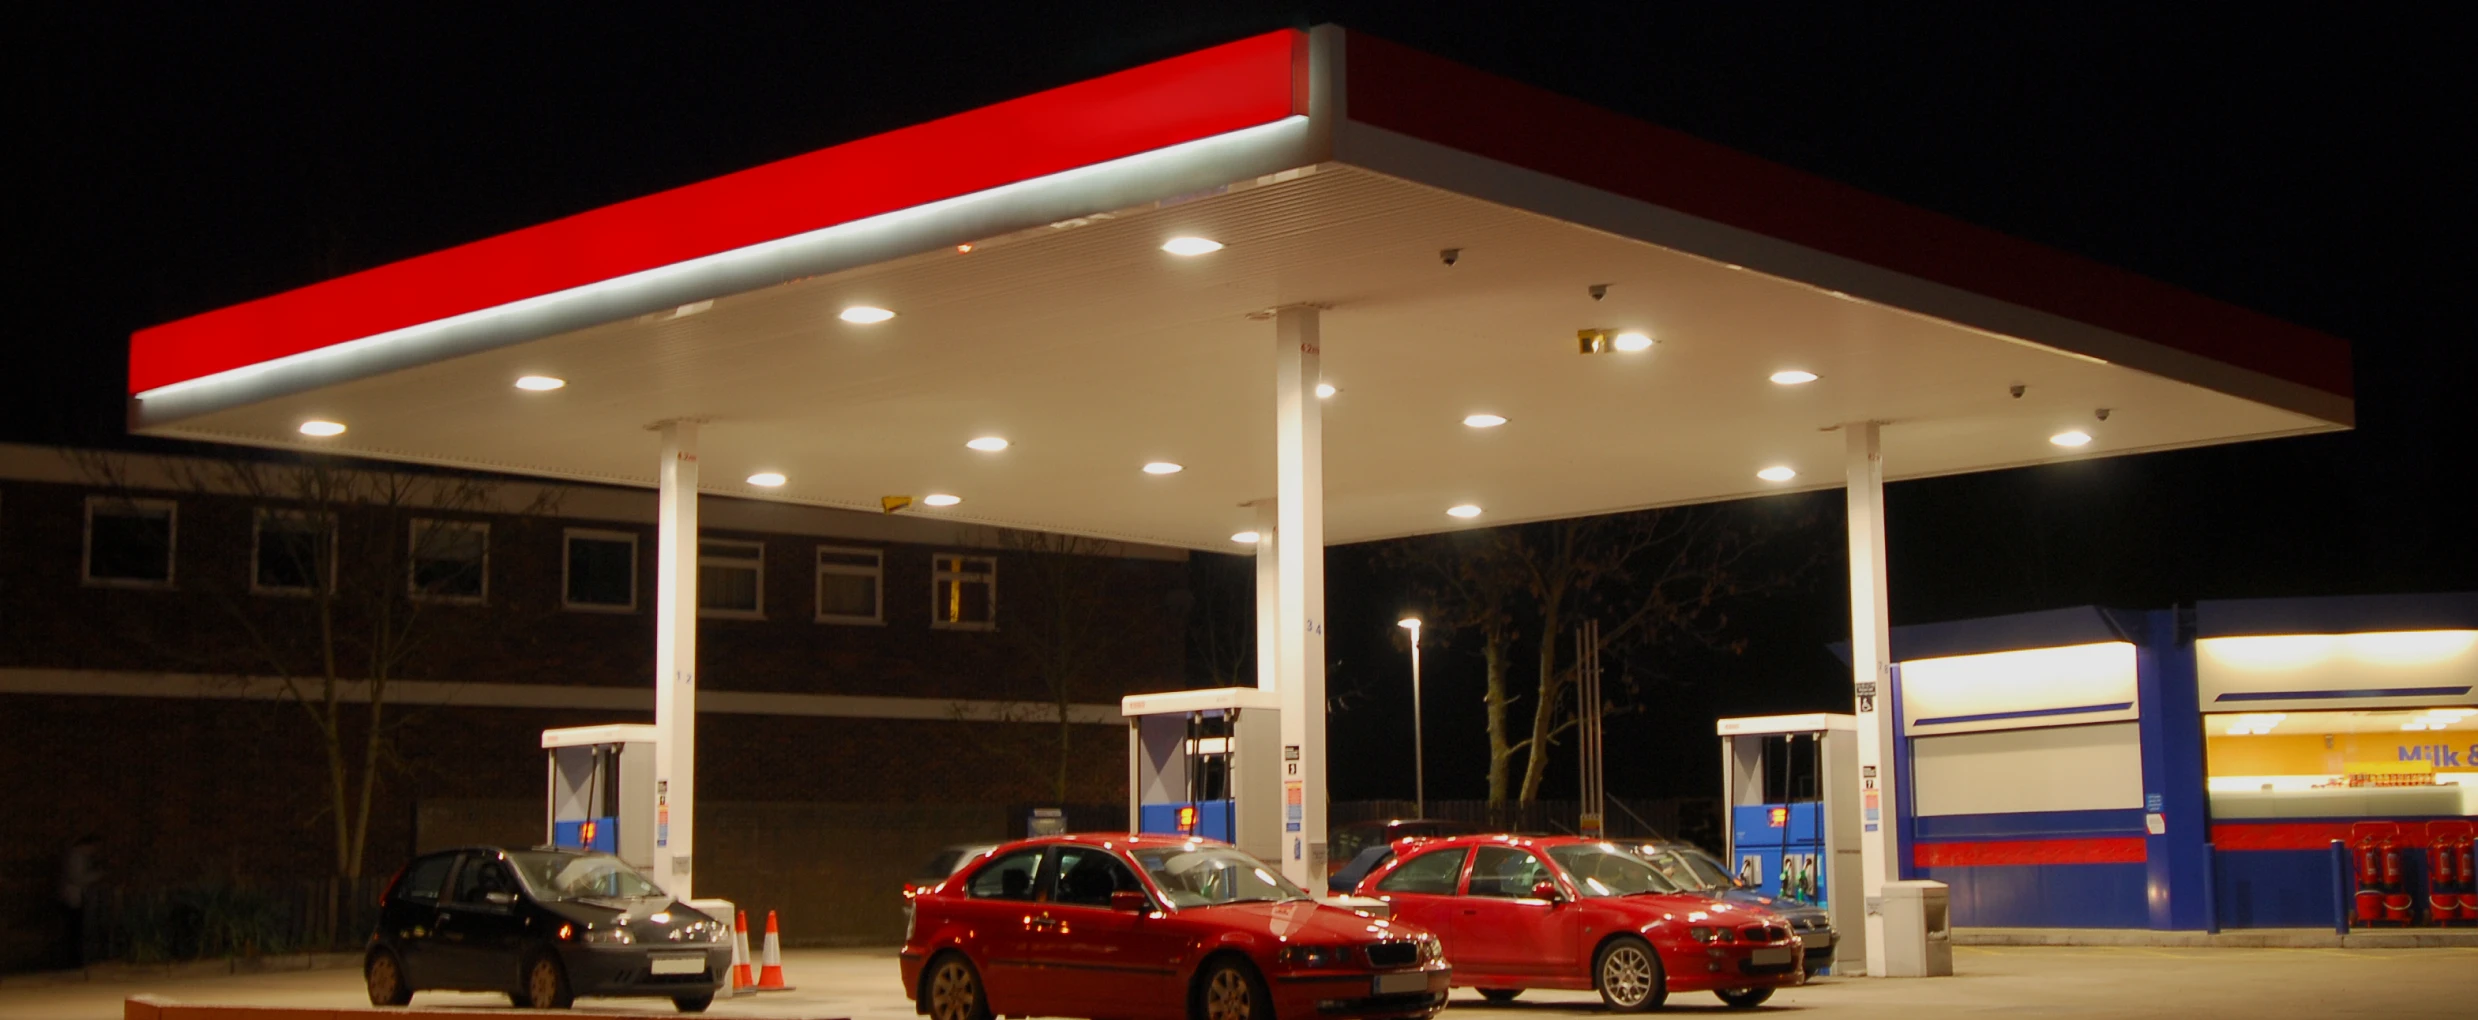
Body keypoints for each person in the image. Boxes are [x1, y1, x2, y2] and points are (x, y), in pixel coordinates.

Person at [57, 834, 102, 969]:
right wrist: (97, 875)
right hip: (73, 898)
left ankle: (75, 960)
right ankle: (73, 961)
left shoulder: (78, 856)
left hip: (75, 897)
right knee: (74, 931)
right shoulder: (76, 857)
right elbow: (78, 878)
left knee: (75, 930)